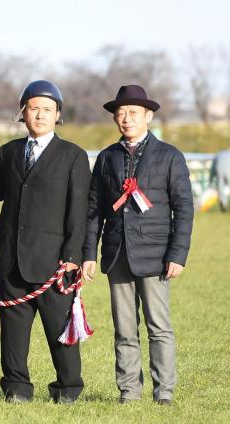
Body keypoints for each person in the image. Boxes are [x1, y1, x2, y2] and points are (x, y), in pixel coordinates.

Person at [0, 80, 90, 403]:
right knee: (12, 334)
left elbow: (79, 211)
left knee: (59, 331)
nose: (40, 115)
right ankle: (16, 388)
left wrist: (72, 256)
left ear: (58, 115)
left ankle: (67, 388)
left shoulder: (74, 156)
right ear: (22, 113)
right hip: (10, 259)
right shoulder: (9, 151)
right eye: (34, 108)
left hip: (54, 263)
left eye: (47, 110)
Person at [82, 84, 193, 406]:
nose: (126, 118)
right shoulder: (107, 158)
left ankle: (164, 390)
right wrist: (89, 253)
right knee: (124, 329)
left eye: (133, 112)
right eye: (121, 113)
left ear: (148, 116)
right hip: (117, 254)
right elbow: (94, 209)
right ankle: (129, 390)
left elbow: (184, 208)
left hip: (156, 256)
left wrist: (177, 255)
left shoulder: (170, 156)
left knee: (159, 327)